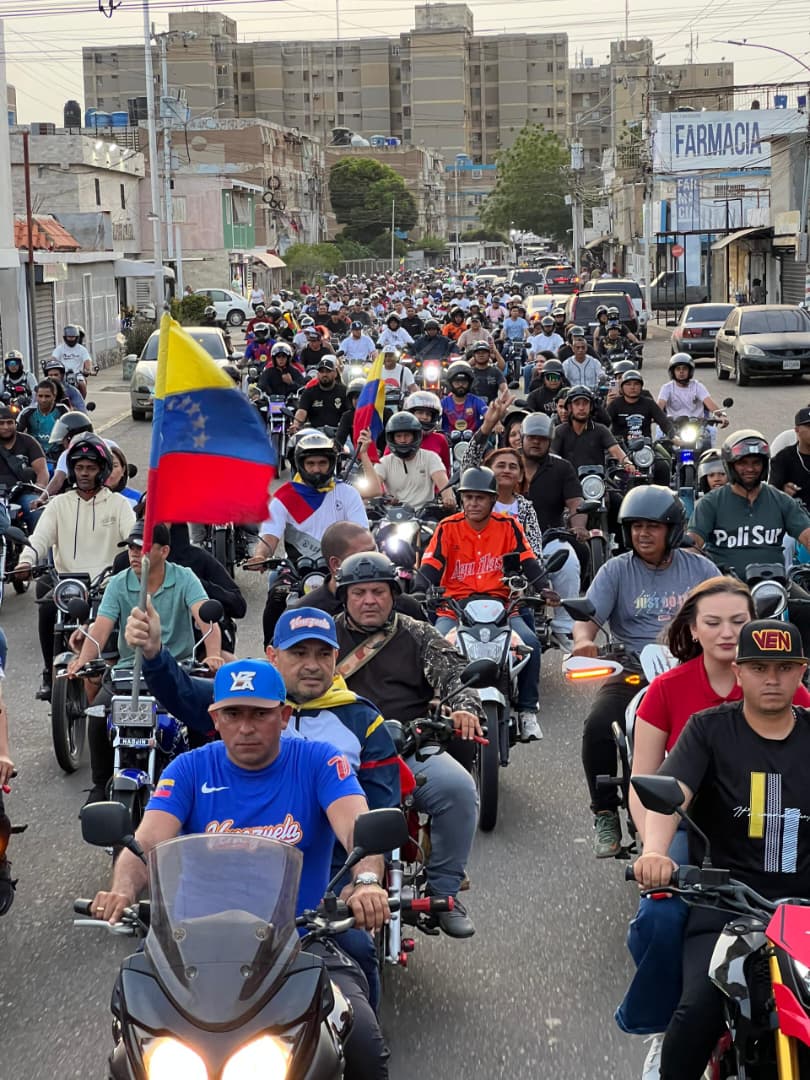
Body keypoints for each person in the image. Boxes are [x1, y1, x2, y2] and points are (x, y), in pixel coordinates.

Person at [89, 651, 392, 1080]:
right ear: (216, 718)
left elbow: (357, 825)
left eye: (260, 713)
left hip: (300, 941)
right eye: (233, 713)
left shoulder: (320, 761)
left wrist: (365, 881)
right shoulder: (189, 768)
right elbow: (148, 840)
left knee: (363, 1044)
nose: (246, 727)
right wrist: (121, 889)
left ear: (284, 715)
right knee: (132, 1043)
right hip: (189, 947)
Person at [632, 619, 810, 1080]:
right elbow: (673, 795)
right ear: (739, 671)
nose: (772, 678)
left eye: (785, 667)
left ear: (802, 672)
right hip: (728, 904)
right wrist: (656, 852)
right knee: (698, 1013)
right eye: (759, 667)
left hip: (806, 912)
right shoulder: (709, 730)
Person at [333, 552, 480, 936]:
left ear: (393, 595)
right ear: (345, 597)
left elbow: (457, 677)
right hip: (338, 756)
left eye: (378, 592)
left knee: (458, 789)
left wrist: (464, 709)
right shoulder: (324, 638)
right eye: (359, 593)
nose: (369, 601)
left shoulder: (418, 633)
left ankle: (443, 892)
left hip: (409, 747)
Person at [573, 486, 717, 857]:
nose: (643, 534)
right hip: (634, 667)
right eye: (636, 526)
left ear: (673, 530)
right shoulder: (616, 570)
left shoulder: (700, 568)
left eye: (653, 526)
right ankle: (605, 811)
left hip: (693, 665)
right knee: (600, 725)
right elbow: (587, 618)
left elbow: (728, 607)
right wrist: (582, 642)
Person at [69, 520, 223, 803]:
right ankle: (100, 784)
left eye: (142, 548)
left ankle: (206, 783)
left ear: (164, 551)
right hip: (129, 673)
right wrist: (83, 659)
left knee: (203, 719)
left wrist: (212, 654)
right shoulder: (118, 583)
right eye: (130, 548)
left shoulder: (185, 577)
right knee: (99, 711)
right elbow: (101, 627)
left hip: (177, 670)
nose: (134, 554)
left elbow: (206, 617)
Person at [416, 466, 548, 741]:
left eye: (480, 498)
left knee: (531, 644)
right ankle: (434, 707)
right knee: (434, 645)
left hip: (501, 605)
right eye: (468, 497)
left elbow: (527, 561)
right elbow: (431, 565)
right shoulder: (447, 527)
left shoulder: (508, 525)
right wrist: (417, 590)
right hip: (455, 607)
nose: (473, 503)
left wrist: (546, 588)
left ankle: (527, 711)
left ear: (492, 500)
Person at [15, 434, 135, 700]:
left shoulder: (119, 505)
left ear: (101, 470)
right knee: (45, 600)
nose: (84, 473)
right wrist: (25, 560)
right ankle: (49, 671)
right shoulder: (59, 504)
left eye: (90, 468)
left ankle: (121, 675)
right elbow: (39, 538)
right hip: (68, 585)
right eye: (79, 468)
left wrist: (133, 558)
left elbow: (132, 540)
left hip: (107, 587)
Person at [688, 428, 810, 655]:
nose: (750, 468)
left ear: (765, 465)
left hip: (775, 585)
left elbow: (806, 535)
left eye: (756, 462)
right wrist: (685, 551)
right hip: (726, 586)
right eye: (743, 463)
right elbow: (692, 543)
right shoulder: (712, 503)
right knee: (695, 623)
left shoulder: (780, 500)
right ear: (730, 465)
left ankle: (802, 676)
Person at [251, 431, 371, 645]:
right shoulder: (284, 496)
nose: (317, 469)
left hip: (340, 568)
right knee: (276, 593)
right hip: (297, 569)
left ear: (331, 463)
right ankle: (273, 651)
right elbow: (270, 535)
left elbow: (361, 534)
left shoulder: (347, 493)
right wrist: (261, 556)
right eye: (311, 463)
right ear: (300, 464)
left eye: (322, 463)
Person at [287, 522, 424, 620]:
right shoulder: (302, 616)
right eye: (363, 555)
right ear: (335, 564)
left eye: (374, 551)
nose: (370, 601)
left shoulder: (406, 607)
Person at [367, 412, 455, 512]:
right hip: (393, 515)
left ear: (415, 436)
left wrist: (448, 498)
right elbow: (373, 489)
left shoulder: (430, 458)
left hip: (425, 515)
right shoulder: (384, 462)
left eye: (407, 435)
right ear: (392, 438)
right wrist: (383, 498)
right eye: (398, 436)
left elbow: (443, 483)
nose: (403, 440)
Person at [607, 369, 674, 486]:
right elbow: (602, 423)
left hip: (646, 449)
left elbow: (664, 422)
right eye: (628, 384)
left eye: (636, 384)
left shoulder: (649, 403)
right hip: (622, 449)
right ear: (622, 387)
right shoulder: (615, 404)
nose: (632, 387)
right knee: (609, 469)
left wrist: (673, 435)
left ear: (641, 386)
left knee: (664, 465)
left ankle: (664, 497)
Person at [550, 385, 633, 474]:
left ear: (591, 407)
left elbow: (616, 451)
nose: (581, 408)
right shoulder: (559, 431)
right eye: (577, 404)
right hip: (568, 482)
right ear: (570, 407)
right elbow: (552, 458)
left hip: (596, 482)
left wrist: (627, 463)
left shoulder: (601, 430)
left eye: (585, 403)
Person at [0, 406, 48, 529]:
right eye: (1, 423)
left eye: (10, 423)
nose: (6, 427)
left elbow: (42, 471)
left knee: (38, 512)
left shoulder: (28, 441)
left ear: (15, 424)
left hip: (22, 493)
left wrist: (40, 486)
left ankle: (40, 547)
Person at [656, 355, 729, 434]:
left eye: (684, 369)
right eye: (678, 369)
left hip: (697, 426)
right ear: (673, 372)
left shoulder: (697, 386)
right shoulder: (667, 388)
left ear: (690, 371)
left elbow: (709, 403)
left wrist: (721, 416)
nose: (681, 372)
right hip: (673, 426)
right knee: (659, 432)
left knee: (712, 431)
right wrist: (653, 417)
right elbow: (659, 406)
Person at [290, 357, 346, 433]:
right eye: (321, 372)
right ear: (317, 374)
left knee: (348, 445)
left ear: (335, 374)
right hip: (315, 434)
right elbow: (302, 411)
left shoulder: (344, 391)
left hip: (339, 433)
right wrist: (296, 424)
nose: (324, 374)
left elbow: (350, 413)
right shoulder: (309, 392)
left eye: (328, 371)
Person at [769, 405, 810, 507]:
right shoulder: (783, 459)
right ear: (797, 430)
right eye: (809, 426)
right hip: (797, 517)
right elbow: (771, 495)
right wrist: (783, 492)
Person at [401, 390, 450, 471]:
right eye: (420, 413)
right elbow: (387, 466)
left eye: (428, 414)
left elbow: (446, 469)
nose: (424, 417)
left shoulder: (440, 439)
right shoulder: (398, 437)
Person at [16, 378, 69, 452]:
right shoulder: (27, 412)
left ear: (54, 396)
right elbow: (16, 435)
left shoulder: (63, 410)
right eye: (40, 396)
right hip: (34, 454)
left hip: (58, 453)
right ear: (36, 396)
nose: (43, 400)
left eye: (47, 396)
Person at [440, 361, 487, 435]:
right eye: (457, 382)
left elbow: (487, 414)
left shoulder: (477, 401)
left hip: (474, 440)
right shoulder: (443, 403)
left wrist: (496, 423)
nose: (461, 385)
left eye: (464, 382)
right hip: (448, 441)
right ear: (450, 383)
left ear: (470, 383)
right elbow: (434, 418)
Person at [51, 325, 91, 398]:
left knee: (82, 384)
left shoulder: (82, 349)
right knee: (53, 385)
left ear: (77, 337)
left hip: (77, 374)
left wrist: (87, 369)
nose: (71, 339)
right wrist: (52, 365)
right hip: (63, 374)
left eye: (73, 337)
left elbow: (87, 360)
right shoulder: (59, 349)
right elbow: (53, 359)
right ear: (65, 337)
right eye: (69, 337)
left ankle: (81, 403)